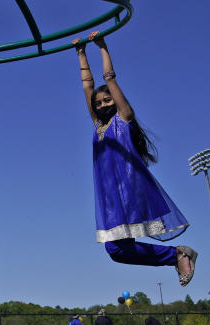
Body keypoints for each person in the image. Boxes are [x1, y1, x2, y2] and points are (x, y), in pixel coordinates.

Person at [72, 32, 197, 286]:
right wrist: (81, 54)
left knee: (115, 249)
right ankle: (177, 254)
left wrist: (102, 47)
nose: (103, 103)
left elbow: (109, 78)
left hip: (128, 188)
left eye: (108, 99)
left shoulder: (123, 119)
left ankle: (176, 255)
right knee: (116, 250)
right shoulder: (98, 126)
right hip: (109, 196)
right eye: (99, 102)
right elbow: (87, 85)